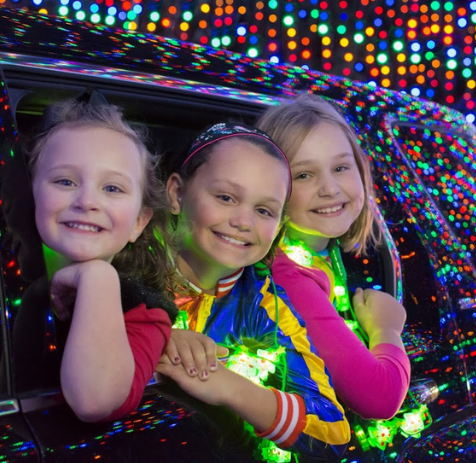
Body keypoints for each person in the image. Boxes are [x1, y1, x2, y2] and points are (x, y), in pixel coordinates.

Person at [155, 122, 350, 458]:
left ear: (278, 229)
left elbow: (333, 432)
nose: (244, 222)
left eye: (263, 211)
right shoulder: (123, 260)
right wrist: (153, 336)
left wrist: (230, 388)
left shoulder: (266, 308)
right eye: (226, 197)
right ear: (176, 193)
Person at [256, 94, 411, 420]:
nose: (329, 188)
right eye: (303, 175)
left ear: (361, 169)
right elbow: (379, 397)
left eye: (340, 167)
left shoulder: (320, 254)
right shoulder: (285, 277)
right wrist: (386, 329)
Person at [25, 97, 178, 422]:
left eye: (112, 188)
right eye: (65, 181)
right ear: (31, 194)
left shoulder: (145, 313)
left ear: (139, 221)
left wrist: (97, 278)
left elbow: (95, 401)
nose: (87, 200)